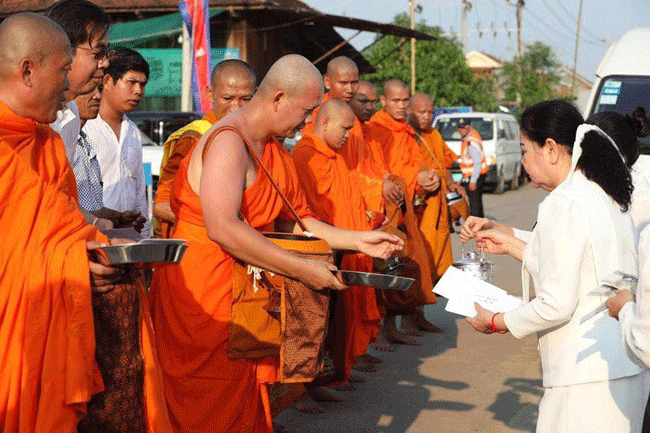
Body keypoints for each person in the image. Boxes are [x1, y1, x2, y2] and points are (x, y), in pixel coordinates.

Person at [150, 54, 403, 433]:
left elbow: (298, 222)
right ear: (278, 98)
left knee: (245, 401)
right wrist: (302, 268)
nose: (307, 123)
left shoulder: (271, 148)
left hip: (247, 295)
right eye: (305, 112)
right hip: (206, 301)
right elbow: (222, 227)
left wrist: (360, 241)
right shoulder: (227, 142)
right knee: (206, 405)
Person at [0, 13, 171, 433]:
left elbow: (63, 224)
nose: (69, 85)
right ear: (27, 71)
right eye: (62, 72)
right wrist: (69, 262)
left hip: (43, 322)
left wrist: (86, 256)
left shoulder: (47, 145)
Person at [462, 99, 649, 433]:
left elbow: (557, 303)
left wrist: (498, 320)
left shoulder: (562, 203)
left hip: (584, 378)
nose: (522, 161)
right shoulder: (602, 192)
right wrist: (511, 239)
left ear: (549, 148)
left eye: (523, 149)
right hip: (623, 368)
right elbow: (586, 264)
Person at [292, 99, 385, 411]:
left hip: (342, 247)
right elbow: (308, 211)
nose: (348, 135)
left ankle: (325, 380)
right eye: (344, 128)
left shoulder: (334, 155)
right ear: (325, 122)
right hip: (316, 251)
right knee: (308, 325)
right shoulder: (306, 155)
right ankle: (301, 390)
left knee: (332, 324)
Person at [365, 78, 440, 346]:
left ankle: (395, 325)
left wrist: (424, 178)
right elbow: (378, 168)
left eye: (404, 100)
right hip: (385, 208)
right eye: (395, 101)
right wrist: (410, 178)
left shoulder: (405, 130)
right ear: (384, 101)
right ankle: (380, 330)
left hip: (405, 207)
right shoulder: (376, 129)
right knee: (385, 267)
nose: (401, 105)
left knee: (402, 266)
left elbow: (412, 165)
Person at [153, 59, 256, 237]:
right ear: (210, 93)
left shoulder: (254, 138)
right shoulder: (194, 138)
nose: (236, 107)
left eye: (245, 99)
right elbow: (162, 205)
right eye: (227, 98)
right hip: (203, 247)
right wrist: (225, 224)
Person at [46, 0, 113, 229]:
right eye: (98, 53)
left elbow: (61, 198)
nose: (104, 63)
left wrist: (97, 223)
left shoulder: (71, 112)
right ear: (64, 50)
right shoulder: (28, 113)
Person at [404, 92, 465, 335]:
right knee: (416, 263)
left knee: (435, 263)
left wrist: (451, 184)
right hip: (417, 210)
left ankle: (419, 315)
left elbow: (444, 165)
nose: (427, 116)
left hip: (436, 211)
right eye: (422, 112)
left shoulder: (434, 135)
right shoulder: (406, 137)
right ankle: (406, 319)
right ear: (410, 110)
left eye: (430, 111)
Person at [84, 47, 151, 236]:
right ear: (107, 81)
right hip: (89, 236)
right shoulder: (84, 128)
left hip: (126, 240)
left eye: (142, 84)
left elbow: (139, 197)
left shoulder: (133, 133)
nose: (138, 91)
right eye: (131, 82)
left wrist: (142, 241)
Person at [73, 84, 146, 232]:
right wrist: (94, 219)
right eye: (88, 89)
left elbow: (139, 192)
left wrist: (117, 219)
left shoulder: (86, 143)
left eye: (98, 89)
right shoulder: (58, 140)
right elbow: (58, 205)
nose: (97, 96)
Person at [457, 117, 488, 217]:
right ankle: (481, 226)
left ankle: (476, 228)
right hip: (476, 175)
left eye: (463, 128)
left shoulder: (471, 142)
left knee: (474, 204)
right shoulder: (469, 138)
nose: (461, 130)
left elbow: (477, 163)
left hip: (476, 176)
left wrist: (473, 180)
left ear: (469, 127)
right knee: (477, 203)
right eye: (459, 128)